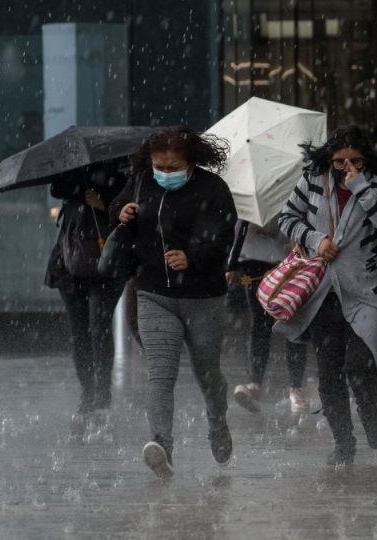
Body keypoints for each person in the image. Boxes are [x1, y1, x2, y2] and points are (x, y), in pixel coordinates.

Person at [109, 126, 238, 478]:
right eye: (159, 166)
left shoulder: (213, 189)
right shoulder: (140, 181)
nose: (165, 173)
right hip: (154, 294)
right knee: (160, 374)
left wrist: (193, 257)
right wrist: (122, 213)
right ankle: (162, 445)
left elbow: (225, 236)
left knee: (207, 373)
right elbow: (115, 209)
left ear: (190, 160)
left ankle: (217, 422)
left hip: (203, 297)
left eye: (173, 166)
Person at [276, 126, 377, 466]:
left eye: (355, 161)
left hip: (366, 290)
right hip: (321, 291)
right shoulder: (313, 180)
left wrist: (361, 187)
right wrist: (315, 240)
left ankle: (369, 410)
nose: (346, 167)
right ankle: (343, 442)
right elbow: (287, 218)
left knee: (359, 363)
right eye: (339, 161)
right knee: (329, 373)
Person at [45, 161, 126, 431]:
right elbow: (57, 189)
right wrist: (79, 184)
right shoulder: (71, 173)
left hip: (104, 263)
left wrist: (103, 202)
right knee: (79, 331)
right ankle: (87, 393)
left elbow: (130, 212)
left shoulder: (119, 176)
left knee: (99, 327)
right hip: (70, 262)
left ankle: (102, 394)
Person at [226, 217, 310, 414]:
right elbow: (240, 224)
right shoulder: (249, 193)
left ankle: (295, 387)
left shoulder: (294, 190)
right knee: (259, 322)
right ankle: (255, 382)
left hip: (288, 260)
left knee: (291, 321)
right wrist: (232, 263)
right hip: (253, 260)